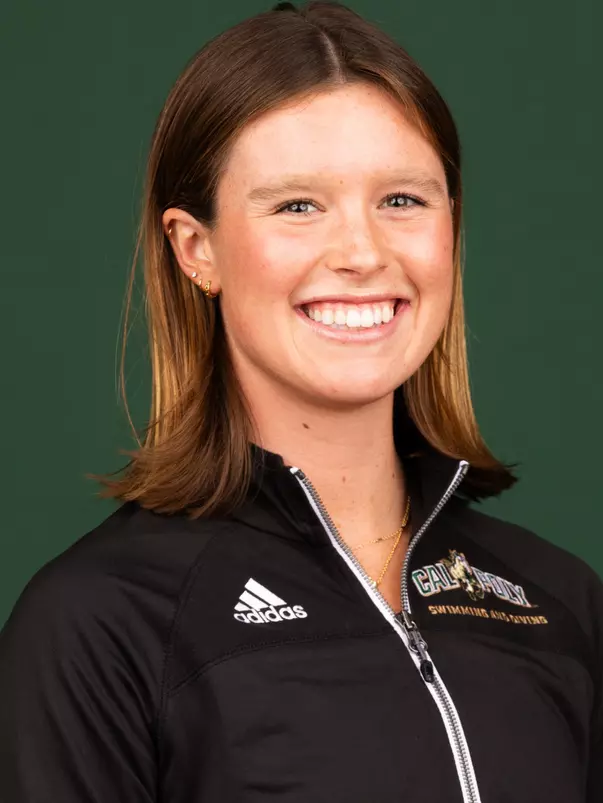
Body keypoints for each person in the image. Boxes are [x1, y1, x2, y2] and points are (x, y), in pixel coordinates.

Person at [1, 2, 601, 801]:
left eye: (401, 200)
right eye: (296, 206)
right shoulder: (101, 620)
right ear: (196, 248)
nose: (361, 252)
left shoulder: (559, 600)